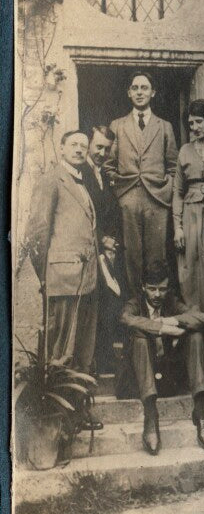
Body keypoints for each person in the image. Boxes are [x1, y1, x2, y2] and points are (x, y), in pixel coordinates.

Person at [27, 130, 102, 429]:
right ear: (61, 148)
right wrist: (47, 273)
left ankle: (78, 411)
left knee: (83, 351)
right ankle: (61, 418)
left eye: (84, 146)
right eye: (73, 145)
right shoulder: (51, 180)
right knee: (62, 351)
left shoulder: (83, 182)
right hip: (62, 276)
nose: (79, 150)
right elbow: (37, 232)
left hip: (87, 279)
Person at [119, 259, 204, 455]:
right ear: (143, 286)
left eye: (162, 289)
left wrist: (168, 320)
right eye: (152, 289)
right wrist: (161, 328)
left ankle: (201, 413)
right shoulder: (135, 303)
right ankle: (151, 417)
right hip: (141, 381)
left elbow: (201, 317)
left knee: (195, 336)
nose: (156, 295)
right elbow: (126, 318)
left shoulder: (171, 302)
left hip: (169, 377)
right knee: (140, 339)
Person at [105, 71, 178, 295]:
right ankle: (133, 306)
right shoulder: (117, 125)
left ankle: (155, 309)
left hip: (157, 199)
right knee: (131, 253)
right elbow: (108, 164)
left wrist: (166, 189)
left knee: (157, 254)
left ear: (152, 92)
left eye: (144, 88)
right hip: (128, 197)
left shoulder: (164, 126)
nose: (139, 92)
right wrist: (119, 190)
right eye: (135, 88)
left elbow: (173, 166)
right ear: (129, 93)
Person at [172, 99, 204, 313]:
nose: (195, 128)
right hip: (190, 215)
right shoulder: (184, 151)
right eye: (191, 123)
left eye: (199, 121)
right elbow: (177, 192)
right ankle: (195, 319)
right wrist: (178, 228)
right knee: (189, 267)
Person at [84, 125, 125, 373]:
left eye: (106, 149)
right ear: (90, 144)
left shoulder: (103, 173)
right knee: (93, 306)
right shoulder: (82, 172)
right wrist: (102, 241)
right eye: (98, 146)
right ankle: (93, 362)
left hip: (106, 250)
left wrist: (113, 240)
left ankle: (105, 356)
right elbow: (83, 215)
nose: (101, 152)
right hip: (90, 249)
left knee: (107, 302)